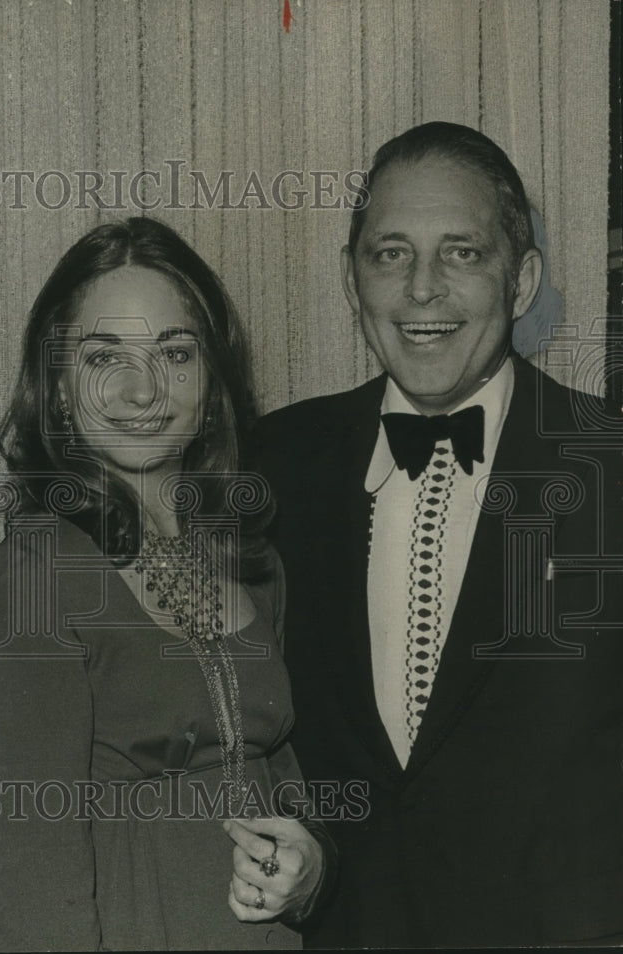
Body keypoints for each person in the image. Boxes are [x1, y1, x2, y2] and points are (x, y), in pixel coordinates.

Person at [254, 122, 623, 947]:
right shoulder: (271, 466)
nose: (422, 289)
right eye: (390, 253)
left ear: (522, 280)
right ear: (353, 280)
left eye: (463, 252)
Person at [0, 217, 333, 951]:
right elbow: (33, 881)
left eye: (175, 352)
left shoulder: (250, 562)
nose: (142, 389)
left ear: (211, 382)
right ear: (58, 388)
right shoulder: (35, 577)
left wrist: (311, 866)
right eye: (105, 357)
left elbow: (283, 785)